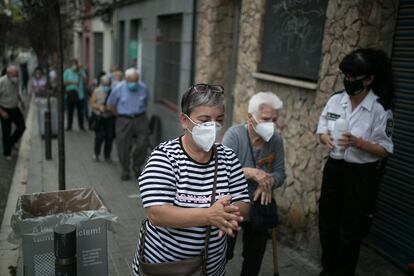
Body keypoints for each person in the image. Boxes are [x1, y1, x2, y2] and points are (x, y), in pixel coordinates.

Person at [131, 83, 250, 276]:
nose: (212, 127)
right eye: (204, 120)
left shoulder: (228, 158)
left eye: (218, 120)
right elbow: (157, 213)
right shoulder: (165, 157)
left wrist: (229, 214)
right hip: (164, 268)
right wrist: (209, 215)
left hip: (211, 269)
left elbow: (244, 203)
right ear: (184, 121)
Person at [316, 48, 394, 276]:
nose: (348, 81)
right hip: (334, 169)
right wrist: (326, 139)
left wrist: (357, 142)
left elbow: (385, 149)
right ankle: (327, 270)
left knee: (350, 231)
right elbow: (322, 129)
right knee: (327, 224)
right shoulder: (335, 101)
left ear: (369, 79)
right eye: (345, 76)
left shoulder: (380, 110)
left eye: (353, 77)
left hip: (360, 176)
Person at [223, 91, 286, 276]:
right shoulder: (234, 135)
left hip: (260, 206)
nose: (271, 125)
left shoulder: (276, 141)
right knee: (223, 252)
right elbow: (224, 171)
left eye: (274, 120)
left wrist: (267, 181)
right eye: (266, 119)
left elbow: (281, 173)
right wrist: (251, 172)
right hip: (232, 204)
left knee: (254, 256)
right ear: (250, 117)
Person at [107, 68, 149, 181]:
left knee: (143, 143)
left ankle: (137, 165)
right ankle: (125, 169)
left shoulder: (143, 87)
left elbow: (146, 101)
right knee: (123, 146)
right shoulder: (118, 88)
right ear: (126, 79)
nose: (133, 84)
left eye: (136, 80)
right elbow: (110, 105)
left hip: (140, 118)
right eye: (131, 81)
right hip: (124, 119)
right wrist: (119, 115)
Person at [0, 65, 26, 160]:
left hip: (14, 107)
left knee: (22, 126)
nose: (17, 76)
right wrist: (2, 112)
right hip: (4, 108)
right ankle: (7, 153)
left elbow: (16, 92)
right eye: (15, 74)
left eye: (17, 74)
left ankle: (11, 142)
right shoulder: (2, 82)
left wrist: (21, 101)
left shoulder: (16, 80)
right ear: (8, 74)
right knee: (6, 131)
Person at [90, 75, 115, 162]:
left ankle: (107, 155)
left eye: (108, 84)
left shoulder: (113, 91)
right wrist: (99, 107)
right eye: (104, 84)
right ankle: (96, 154)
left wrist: (111, 108)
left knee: (109, 137)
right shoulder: (97, 91)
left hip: (110, 117)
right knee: (99, 137)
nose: (106, 86)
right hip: (99, 117)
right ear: (101, 83)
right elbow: (92, 103)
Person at [63, 58, 87, 131]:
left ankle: (81, 126)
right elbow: (63, 82)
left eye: (75, 64)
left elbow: (85, 81)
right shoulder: (67, 72)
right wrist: (72, 82)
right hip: (70, 95)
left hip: (80, 95)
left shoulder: (81, 72)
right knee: (70, 111)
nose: (74, 66)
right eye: (73, 64)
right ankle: (69, 126)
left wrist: (80, 73)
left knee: (80, 112)